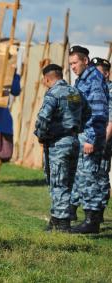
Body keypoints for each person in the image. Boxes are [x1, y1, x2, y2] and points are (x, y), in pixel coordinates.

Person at [34, 64, 88, 232]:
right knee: (67, 182)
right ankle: (56, 219)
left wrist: (41, 136)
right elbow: (87, 113)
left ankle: (63, 225)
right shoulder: (75, 92)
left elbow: (43, 119)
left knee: (58, 183)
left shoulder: (53, 94)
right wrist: (76, 127)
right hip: (74, 141)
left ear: (47, 78)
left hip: (58, 144)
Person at [68, 45, 109, 234]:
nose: (72, 67)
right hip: (83, 133)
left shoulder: (93, 79)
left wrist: (91, 138)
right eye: (70, 64)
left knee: (89, 177)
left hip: (90, 135)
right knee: (87, 176)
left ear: (85, 60)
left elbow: (99, 112)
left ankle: (91, 222)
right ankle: (91, 218)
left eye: (75, 63)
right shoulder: (82, 79)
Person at [91, 57, 112, 223]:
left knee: (101, 176)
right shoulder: (94, 88)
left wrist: (102, 142)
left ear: (106, 73)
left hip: (103, 141)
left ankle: (98, 213)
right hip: (91, 139)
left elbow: (110, 121)